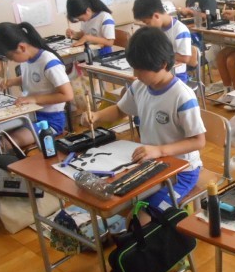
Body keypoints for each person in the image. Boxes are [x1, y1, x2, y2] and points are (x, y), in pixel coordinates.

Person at [81, 26, 205, 216]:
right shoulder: (139, 86)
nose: (135, 74)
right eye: (134, 68)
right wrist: (97, 116)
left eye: (141, 70)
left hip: (181, 171)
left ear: (162, 64)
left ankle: (170, 221)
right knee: (116, 198)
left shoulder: (182, 96)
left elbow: (198, 141)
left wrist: (159, 150)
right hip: (151, 164)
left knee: (145, 215)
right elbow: (119, 110)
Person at [0, 22, 73, 221]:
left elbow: (67, 95)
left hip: (49, 121)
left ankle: (15, 192)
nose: (11, 61)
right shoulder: (27, 60)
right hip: (29, 115)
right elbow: (32, 80)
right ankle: (3, 192)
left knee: (4, 143)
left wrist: (34, 99)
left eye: (10, 57)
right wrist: (13, 81)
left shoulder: (49, 61)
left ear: (21, 47)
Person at [133, 0, 195, 82]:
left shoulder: (180, 30)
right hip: (157, 73)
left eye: (147, 23)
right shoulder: (155, 29)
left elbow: (185, 58)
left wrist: (159, 54)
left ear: (156, 16)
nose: (147, 26)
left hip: (176, 76)